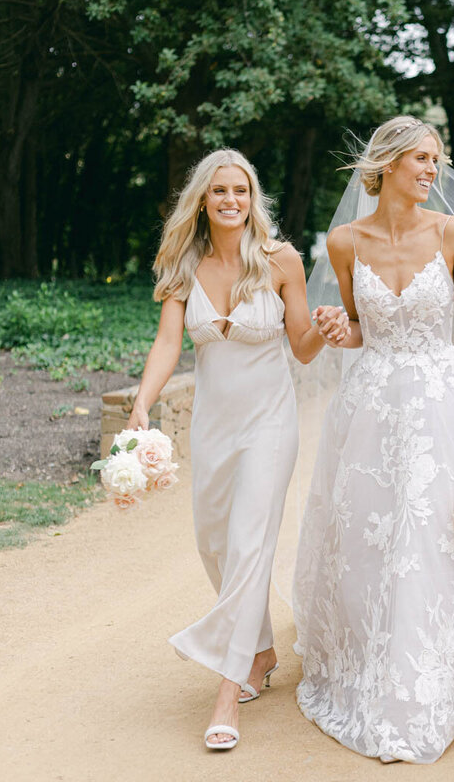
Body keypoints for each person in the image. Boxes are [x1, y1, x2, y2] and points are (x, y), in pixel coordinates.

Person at [290, 116, 454, 764]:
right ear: (386, 167)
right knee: (374, 536)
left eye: (437, 160)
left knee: (439, 532)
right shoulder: (344, 241)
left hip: (442, 403)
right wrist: (333, 325)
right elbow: (355, 329)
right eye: (422, 160)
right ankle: (384, 667)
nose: (433, 171)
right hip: (373, 407)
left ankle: (438, 671)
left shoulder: (452, 233)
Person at [127, 148, 337, 750]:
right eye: (219, 192)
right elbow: (169, 341)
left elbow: (299, 346)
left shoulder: (279, 261)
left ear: (253, 199)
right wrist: (144, 401)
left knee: (248, 545)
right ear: (202, 200)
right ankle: (262, 651)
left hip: (270, 425)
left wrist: (321, 331)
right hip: (214, 429)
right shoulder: (182, 263)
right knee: (215, 542)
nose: (231, 201)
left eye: (240, 191)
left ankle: (227, 694)